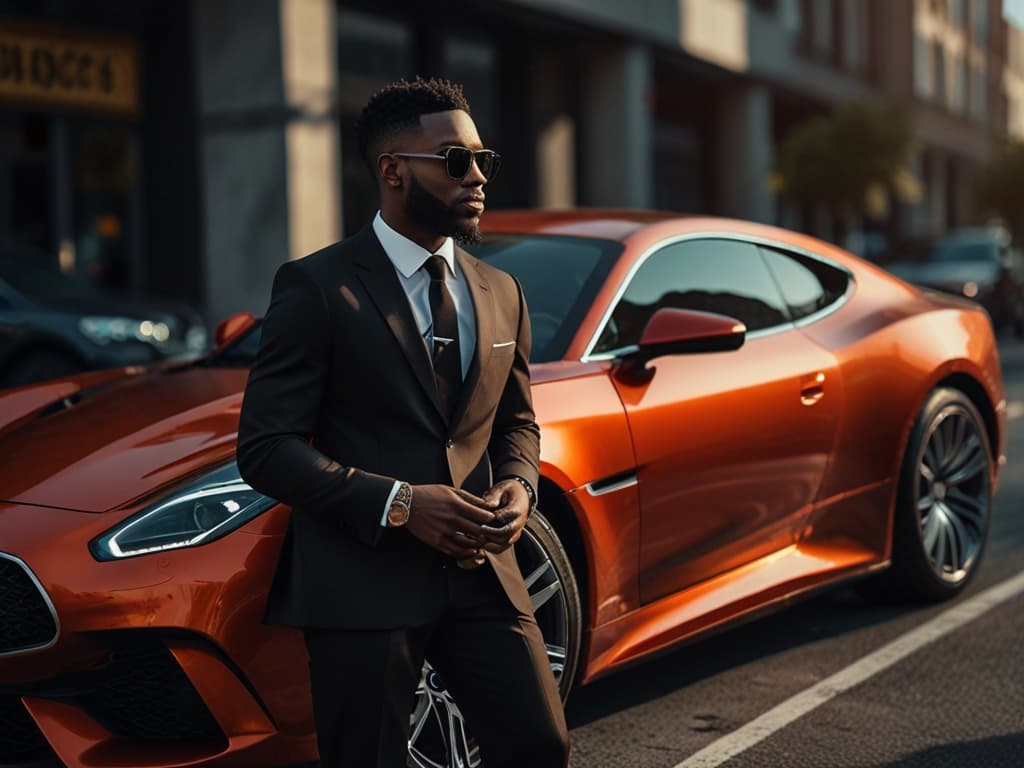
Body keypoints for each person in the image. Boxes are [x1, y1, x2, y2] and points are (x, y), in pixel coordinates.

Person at [237, 77, 569, 768]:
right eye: (456, 160)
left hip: (482, 572)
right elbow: (266, 448)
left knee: (540, 745)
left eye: (482, 160)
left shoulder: (502, 291)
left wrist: (520, 486)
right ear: (393, 171)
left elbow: (516, 421)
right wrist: (401, 504)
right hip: (362, 584)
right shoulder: (317, 286)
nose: (477, 177)